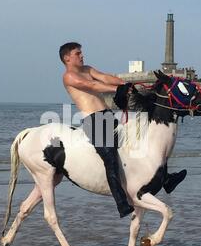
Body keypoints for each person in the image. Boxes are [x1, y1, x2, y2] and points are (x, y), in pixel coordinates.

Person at [61, 42, 186, 218]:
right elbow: (93, 87)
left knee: (144, 144)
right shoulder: (68, 77)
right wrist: (118, 89)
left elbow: (105, 77)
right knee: (110, 159)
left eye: (81, 52)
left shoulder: (87, 69)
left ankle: (166, 179)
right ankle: (122, 203)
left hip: (108, 116)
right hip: (94, 122)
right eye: (77, 53)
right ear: (67, 58)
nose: (82, 55)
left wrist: (126, 84)